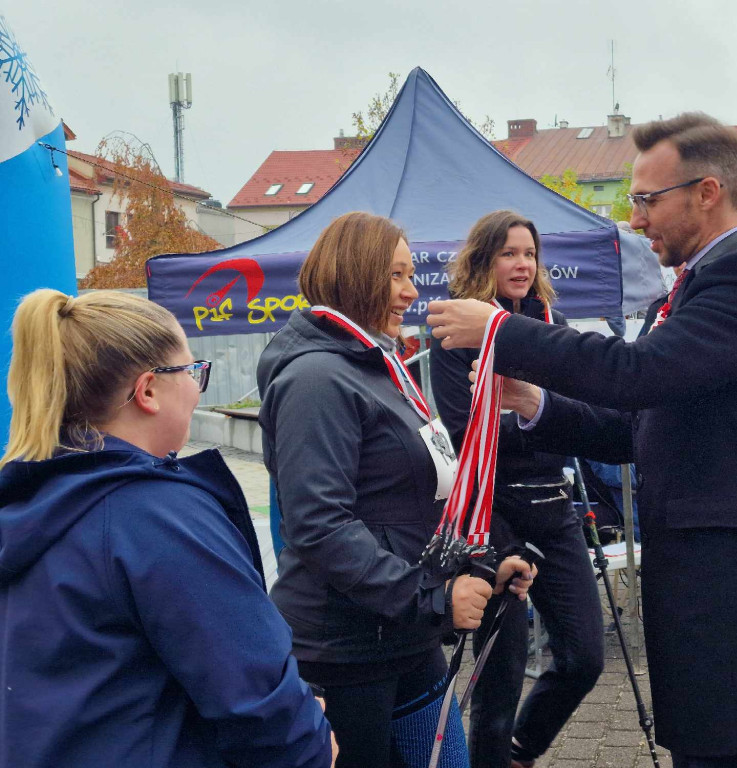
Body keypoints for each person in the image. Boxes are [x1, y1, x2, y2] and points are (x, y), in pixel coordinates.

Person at [428, 113, 737, 767]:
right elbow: (634, 425)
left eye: (648, 199)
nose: (636, 216)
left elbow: (634, 374)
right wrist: (534, 401)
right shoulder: (695, 291)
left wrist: (504, 334)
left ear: (706, 192)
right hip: (709, 601)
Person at [0, 289, 334, 768]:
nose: (198, 388)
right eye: (193, 371)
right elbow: (254, 695)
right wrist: (313, 746)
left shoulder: (31, 499)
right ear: (148, 390)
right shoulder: (157, 516)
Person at [256, 212, 535, 768]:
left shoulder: (377, 364)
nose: (411, 292)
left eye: (410, 276)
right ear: (353, 274)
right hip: (347, 649)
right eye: (395, 276)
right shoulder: (316, 378)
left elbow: (411, 501)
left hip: (405, 633)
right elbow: (320, 525)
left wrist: (480, 565)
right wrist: (431, 598)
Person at [430, 210, 604, 768]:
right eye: (509, 253)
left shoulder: (552, 327)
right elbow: (465, 432)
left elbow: (583, 419)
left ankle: (521, 752)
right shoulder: (459, 332)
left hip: (554, 508)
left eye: (529, 253)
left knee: (583, 657)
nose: (523, 264)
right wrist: (541, 421)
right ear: (484, 260)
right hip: (494, 512)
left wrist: (533, 418)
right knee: (498, 678)